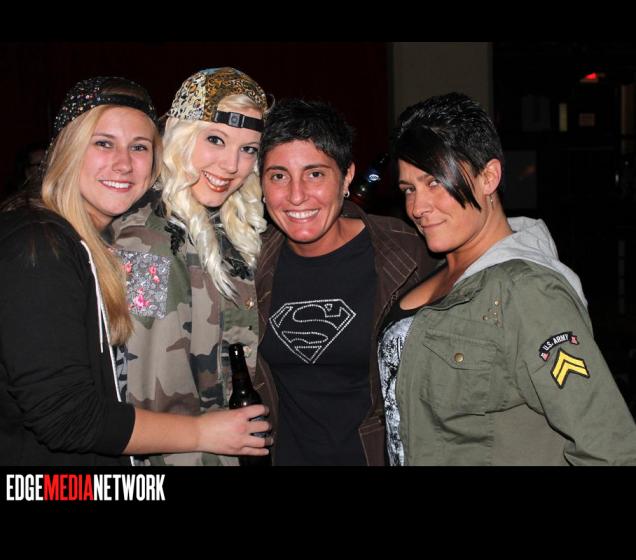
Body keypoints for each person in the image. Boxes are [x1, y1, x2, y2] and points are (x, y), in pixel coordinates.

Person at [0, 76, 270, 466]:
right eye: (103, 143)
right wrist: (203, 434)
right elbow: (120, 400)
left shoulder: (84, 240)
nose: (124, 163)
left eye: (139, 147)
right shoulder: (47, 245)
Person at [380, 92, 636, 465]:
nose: (417, 207)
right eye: (409, 189)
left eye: (434, 182)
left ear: (489, 177)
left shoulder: (527, 291)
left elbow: (609, 449)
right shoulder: (435, 268)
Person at [255, 99, 437, 465]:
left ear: (347, 175)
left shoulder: (406, 253)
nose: (296, 195)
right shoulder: (248, 263)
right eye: (278, 176)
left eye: (315, 174)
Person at [111, 67, 269, 466]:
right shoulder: (147, 244)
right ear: (181, 136)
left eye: (249, 149)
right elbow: (151, 398)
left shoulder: (226, 223)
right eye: (215, 140)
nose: (232, 165)